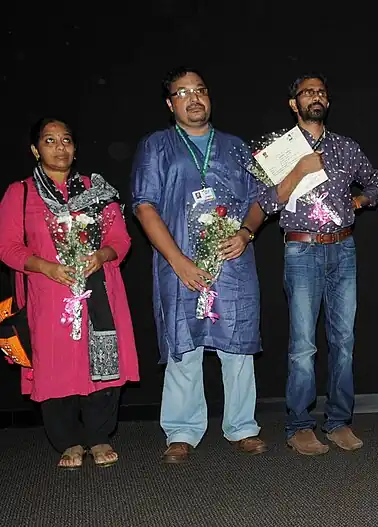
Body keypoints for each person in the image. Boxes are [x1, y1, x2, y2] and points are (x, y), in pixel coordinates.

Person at [130, 67, 268, 463]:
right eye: (183, 92)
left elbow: (262, 197)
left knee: (238, 347)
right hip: (181, 264)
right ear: (170, 103)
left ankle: (242, 426)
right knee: (183, 347)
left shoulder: (236, 146)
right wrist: (178, 261)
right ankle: (182, 431)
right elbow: (143, 205)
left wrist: (245, 234)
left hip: (233, 262)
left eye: (201, 90)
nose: (194, 98)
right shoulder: (156, 146)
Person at [0, 118, 139, 469]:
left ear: (75, 148)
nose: (60, 147)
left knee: (103, 361)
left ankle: (98, 437)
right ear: (36, 149)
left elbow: (120, 240)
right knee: (55, 365)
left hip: (99, 289)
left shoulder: (97, 189)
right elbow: (7, 247)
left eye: (66, 140)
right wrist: (46, 267)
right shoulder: (22, 192)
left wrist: (102, 256)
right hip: (49, 294)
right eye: (50, 140)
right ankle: (68, 441)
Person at [256, 73, 378, 455]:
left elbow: (375, 185)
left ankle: (340, 420)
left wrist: (356, 203)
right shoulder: (277, 148)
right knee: (303, 345)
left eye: (321, 92)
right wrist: (300, 169)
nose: (315, 97)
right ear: (294, 103)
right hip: (302, 250)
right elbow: (267, 203)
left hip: (343, 249)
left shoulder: (346, 147)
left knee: (344, 341)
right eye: (307, 92)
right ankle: (299, 424)